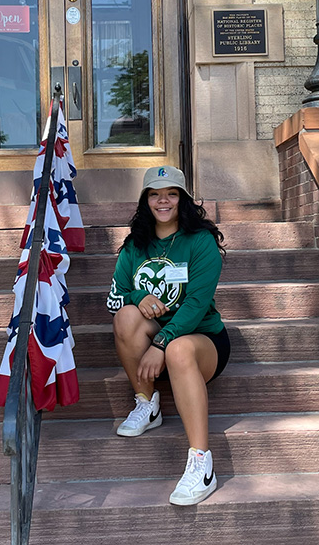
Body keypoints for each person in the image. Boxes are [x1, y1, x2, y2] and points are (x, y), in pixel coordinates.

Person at [105, 165, 229, 506]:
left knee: (177, 351)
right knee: (126, 318)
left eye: (171, 193)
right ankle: (147, 405)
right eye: (155, 194)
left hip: (202, 339)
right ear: (145, 200)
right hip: (159, 333)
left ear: (183, 199)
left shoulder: (200, 241)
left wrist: (161, 343)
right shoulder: (135, 245)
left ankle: (202, 465)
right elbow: (115, 297)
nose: (163, 201)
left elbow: (197, 304)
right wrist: (136, 297)